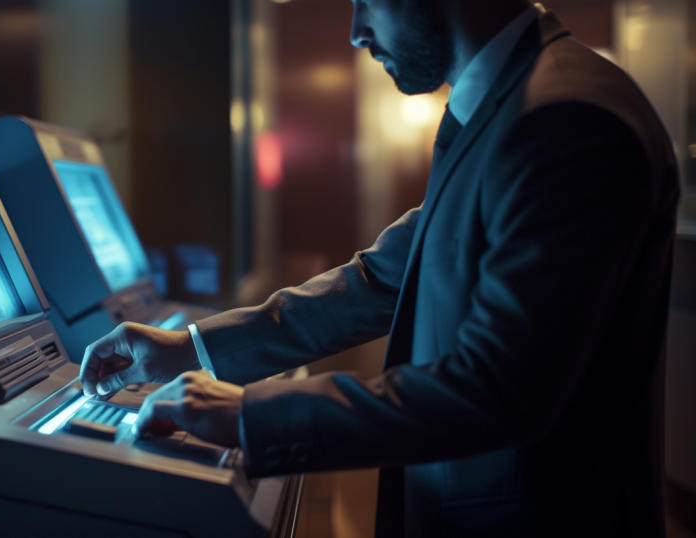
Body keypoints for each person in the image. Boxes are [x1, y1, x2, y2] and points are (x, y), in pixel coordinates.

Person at [81, 0, 679, 536]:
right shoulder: (508, 102)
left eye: (367, 0)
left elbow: (499, 390)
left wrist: (251, 417)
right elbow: (381, 279)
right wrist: (188, 347)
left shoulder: (566, 119)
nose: (356, 31)